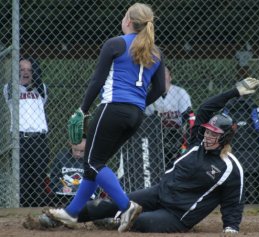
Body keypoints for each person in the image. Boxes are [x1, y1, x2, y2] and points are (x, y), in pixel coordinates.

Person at [42, 78, 259, 234]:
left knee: (142, 222)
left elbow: (234, 201)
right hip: (160, 193)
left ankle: (114, 220)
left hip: (178, 215)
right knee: (111, 203)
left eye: (215, 134)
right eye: (208, 131)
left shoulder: (230, 168)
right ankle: (64, 216)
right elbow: (205, 108)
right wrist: (235, 92)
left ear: (225, 138)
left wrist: (231, 227)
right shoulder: (197, 143)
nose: (208, 135)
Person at [46, 3, 165, 233]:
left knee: (92, 162)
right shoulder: (157, 52)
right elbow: (159, 88)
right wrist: (139, 104)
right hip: (135, 115)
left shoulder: (115, 43)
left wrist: (82, 110)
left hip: (112, 108)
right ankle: (72, 213)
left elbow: (97, 82)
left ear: (128, 21)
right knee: (95, 165)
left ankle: (126, 206)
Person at [3, 56, 49, 207]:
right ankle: (21, 209)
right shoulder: (9, 89)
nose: (25, 73)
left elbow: (39, 85)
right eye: (21, 70)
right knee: (21, 177)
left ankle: (38, 208)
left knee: (38, 176)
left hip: (38, 139)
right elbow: (12, 85)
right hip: (19, 138)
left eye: (29, 70)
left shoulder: (40, 89)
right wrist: (18, 78)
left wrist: (33, 79)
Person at [145, 66, 192, 169]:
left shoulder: (180, 93)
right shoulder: (149, 95)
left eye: (164, 72)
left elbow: (187, 118)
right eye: (158, 73)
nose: (161, 75)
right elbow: (148, 122)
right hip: (157, 137)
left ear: (170, 77)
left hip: (178, 135)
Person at [47, 137, 98, 207]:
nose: (78, 154)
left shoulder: (91, 160)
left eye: (82, 151)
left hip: (84, 195)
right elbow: (54, 179)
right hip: (65, 196)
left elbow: (97, 182)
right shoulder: (61, 157)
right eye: (75, 150)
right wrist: (61, 188)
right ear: (71, 145)